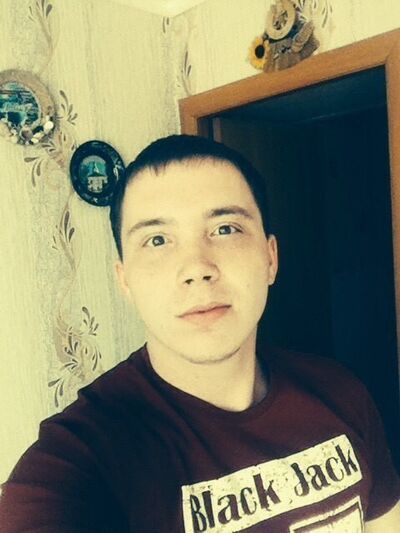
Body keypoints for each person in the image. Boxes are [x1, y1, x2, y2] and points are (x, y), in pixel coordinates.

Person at [0, 134, 399, 532]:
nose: (196, 267)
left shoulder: (341, 391)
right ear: (125, 281)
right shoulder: (80, 461)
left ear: (270, 258)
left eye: (225, 229)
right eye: (157, 240)